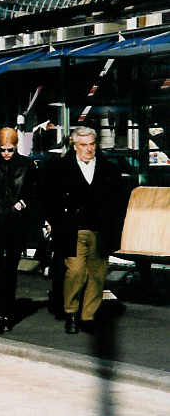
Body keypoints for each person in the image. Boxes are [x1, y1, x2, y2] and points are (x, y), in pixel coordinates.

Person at [43, 126, 125, 334]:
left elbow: (119, 200)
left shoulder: (109, 169)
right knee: (76, 271)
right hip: (73, 230)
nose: (89, 149)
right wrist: (54, 222)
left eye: (92, 144)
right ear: (74, 146)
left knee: (97, 274)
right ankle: (71, 311)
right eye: (83, 145)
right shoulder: (60, 168)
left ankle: (88, 316)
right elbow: (49, 199)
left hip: (101, 229)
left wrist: (115, 225)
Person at [0, 127, 38, 335]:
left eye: (10, 150)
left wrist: (22, 203)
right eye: (3, 149)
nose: (5, 153)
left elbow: (33, 189)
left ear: (16, 147)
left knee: (11, 268)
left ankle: (6, 312)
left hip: (15, 220)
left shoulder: (27, 164)